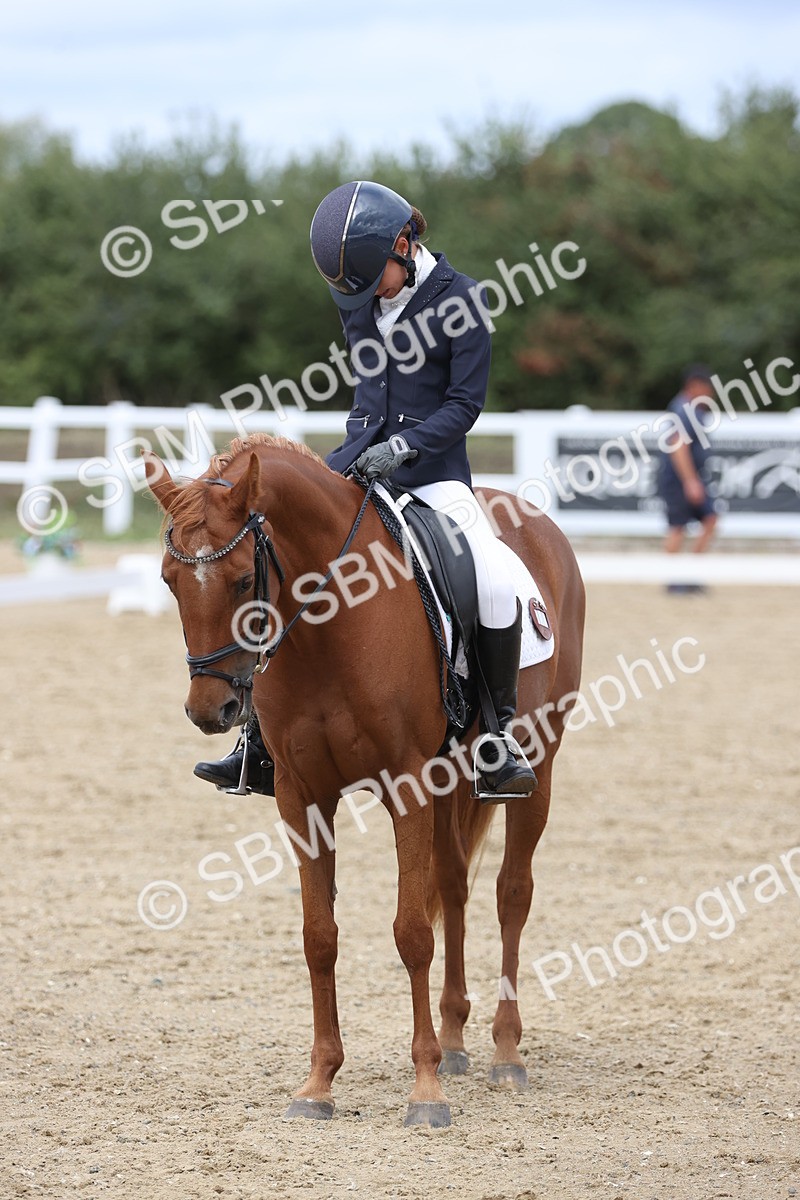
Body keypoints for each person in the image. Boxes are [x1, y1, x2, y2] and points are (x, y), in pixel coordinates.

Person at [195, 180, 537, 801]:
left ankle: (496, 736)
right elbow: (367, 399)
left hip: (433, 476)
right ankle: (259, 741)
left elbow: (464, 405)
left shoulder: (463, 301)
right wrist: (347, 461)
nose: (362, 297)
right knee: (279, 559)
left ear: (404, 244)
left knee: (493, 576)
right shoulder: (360, 298)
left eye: (371, 279)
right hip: (359, 463)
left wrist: (404, 448)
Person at [657, 364, 719, 592]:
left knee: (710, 519)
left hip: (688, 478)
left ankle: (690, 574)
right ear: (694, 386)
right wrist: (690, 481)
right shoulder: (685, 410)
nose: (710, 394)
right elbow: (678, 447)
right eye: (707, 389)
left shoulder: (692, 409)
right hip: (679, 480)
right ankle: (674, 579)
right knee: (677, 527)